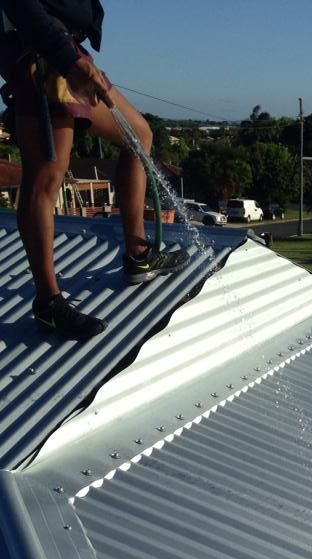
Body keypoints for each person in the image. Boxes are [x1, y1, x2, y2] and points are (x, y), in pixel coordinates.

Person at [0, 0, 190, 339]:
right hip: (42, 53)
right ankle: (48, 302)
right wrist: (67, 58)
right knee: (45, 179)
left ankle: (139, 255)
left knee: (139, 135)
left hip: (66, 49)